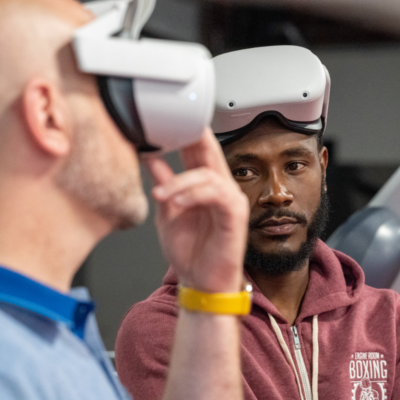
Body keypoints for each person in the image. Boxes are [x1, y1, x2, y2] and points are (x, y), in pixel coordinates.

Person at [116, 46, 400, 400]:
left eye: (295, 165)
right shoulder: (163, 329)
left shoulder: (388, 320)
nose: (277, 193)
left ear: (323, 169)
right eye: (245, 171)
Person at [0, 0, 250, 399]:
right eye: (112, 88)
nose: (138, 136)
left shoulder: (53, 335)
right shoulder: (12, 362)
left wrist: (210, 295)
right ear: (48, 115)